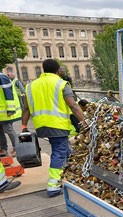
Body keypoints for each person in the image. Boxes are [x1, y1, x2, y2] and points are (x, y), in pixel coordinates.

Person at [21, 59, 85, 197]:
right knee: (59, 152)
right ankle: (53, 186)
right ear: (57, 70)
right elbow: (73, 105)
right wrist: (85, 121)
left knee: (64, 149)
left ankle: (73, 174)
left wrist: (24, 126)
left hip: (40, 125)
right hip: (58, 125)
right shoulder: (61, 84)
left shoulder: (31, 86)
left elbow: (26, 108)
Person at [0, 73, 22, 157]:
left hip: (5, 110)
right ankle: (3, 149)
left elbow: (8, 93)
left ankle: (17, 148)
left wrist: (11, 109)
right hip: (2, 111)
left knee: (8, 129)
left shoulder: (2, 77)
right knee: (0, 130)